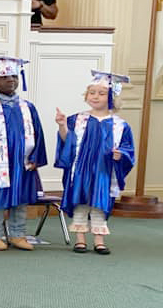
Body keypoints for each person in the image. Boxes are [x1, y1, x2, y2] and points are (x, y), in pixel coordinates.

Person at [55, 70, 134, 255]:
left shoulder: (120, 125)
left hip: (103, 170)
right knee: (81, 203)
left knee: (100, 204)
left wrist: (120, 155)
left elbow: (127, 148)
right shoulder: (77, 119)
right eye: (92, 93)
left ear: (112, 97)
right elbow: (68, 141)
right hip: (81, 169)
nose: (95, 97)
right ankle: (80, 240)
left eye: (101, 93)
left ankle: (99, 240)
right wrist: (62, 126)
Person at [0, 57, 48, 251]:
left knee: (21, 199)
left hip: (22, 164)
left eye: (14, 76)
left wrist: (35, 158)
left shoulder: (28, 108)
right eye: (4, 76)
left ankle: (18, 234)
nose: (11, 80)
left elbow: (38, 134)